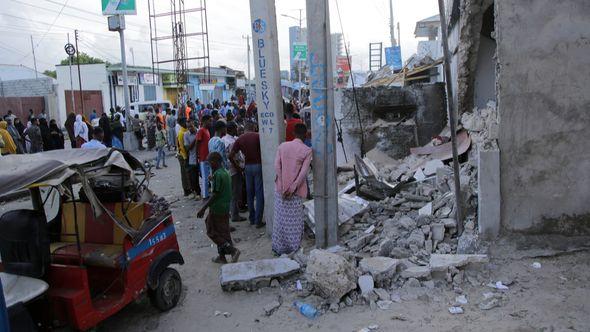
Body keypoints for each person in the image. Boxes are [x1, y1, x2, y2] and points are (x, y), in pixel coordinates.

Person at [272, 123, 312, 255]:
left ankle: (278, 248)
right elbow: (303, 173)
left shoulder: (282, 146)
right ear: (305, 135)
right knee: (295, 223)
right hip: (295, 193)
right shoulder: (307, 150)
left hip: (280, 191)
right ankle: (293, 250)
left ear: (294, 134)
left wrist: (284, 186)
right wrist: (292, 188)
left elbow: (277, 167)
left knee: (280, 220)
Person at [196, 151, 241, 264]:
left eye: (210, 162)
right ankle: (222, 256)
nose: (209, 164)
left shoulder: (218, 175)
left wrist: (203, 208)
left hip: (217, 208)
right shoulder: (225, 172)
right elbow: (222, 187)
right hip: (225, 207)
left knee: (211, 229)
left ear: (215, 162)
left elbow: (215, 194)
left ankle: (232, 250)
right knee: (223, 231)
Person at [230, 121, 265, 228]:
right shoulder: (258, 136)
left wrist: (238, 167)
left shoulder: (240, 139)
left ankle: (252, 218)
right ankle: (258, 220)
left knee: (250, 194)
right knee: (259, 194)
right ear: (253, 127)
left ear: (245, 128)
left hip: (247, 167)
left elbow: (231, 155)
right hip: (258, 165)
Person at [223, 122, 246, 222]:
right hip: (234, 170)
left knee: (232, 193)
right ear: (232, 129)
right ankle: (235, 215)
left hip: (228, 169)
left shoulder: (224, 139)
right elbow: (232, 157)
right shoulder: (231, 142)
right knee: (235, 193)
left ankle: (233, 213)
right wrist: (238, 168)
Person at [184, 121, 201, 198]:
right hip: (192, 158)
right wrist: (195, 139)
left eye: (191, 126)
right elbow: (188, 148)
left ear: (194, 125)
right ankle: (197, 192)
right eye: (188, 127)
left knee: (203, 175)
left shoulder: (199, 131)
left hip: (201, 157)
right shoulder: (186, 135)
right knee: (194, 177)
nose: (190, 128)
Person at [197, 115, 212, 199]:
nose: (210, 122)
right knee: (205, 177)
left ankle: (208, 193)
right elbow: (197, 143)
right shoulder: (201, 131)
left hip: (208, 156)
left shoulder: (206, 130)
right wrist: (198, 156)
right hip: (203, 157)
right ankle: (205, 195)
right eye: (209, 121)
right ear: (205, 121)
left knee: (209, 176)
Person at [176, 118, 192, 197]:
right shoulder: (181, 133)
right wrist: (185, 157)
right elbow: (182, 147)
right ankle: (186, 190)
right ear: (182, 123)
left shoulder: (185, 131)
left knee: (187, 173)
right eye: (185, 122)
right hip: (182, 155)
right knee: (184, 174)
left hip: (184, 155)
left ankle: (189, 188)